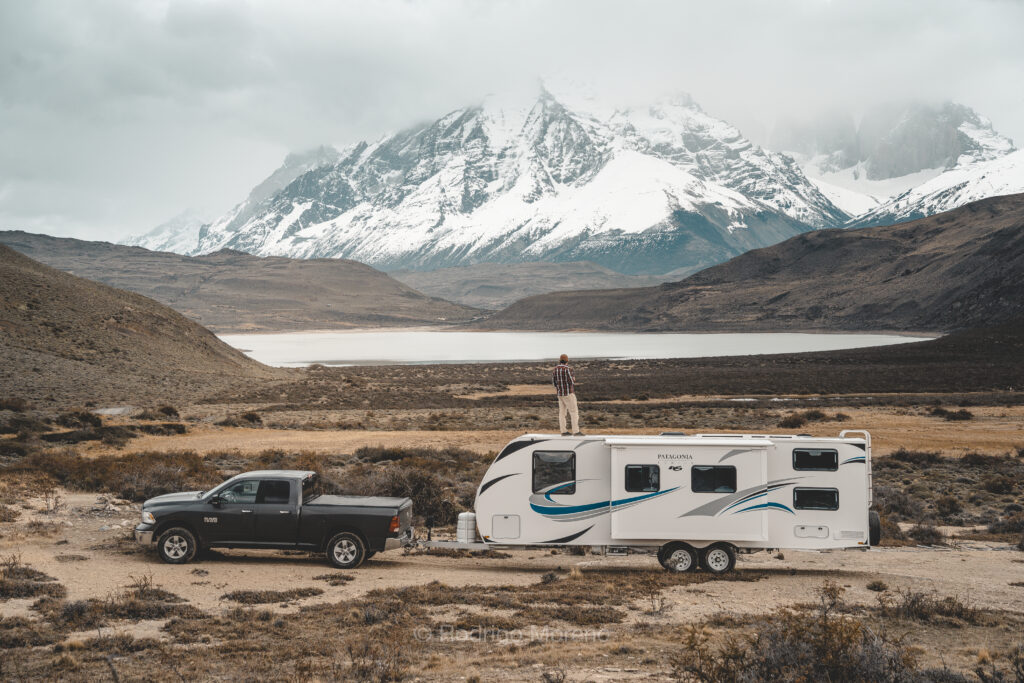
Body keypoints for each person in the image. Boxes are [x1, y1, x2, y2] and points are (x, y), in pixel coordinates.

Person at [552, 354, 583, 436]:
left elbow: (554, 383)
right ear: (567, 361)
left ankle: (563, 431)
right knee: (574, 412)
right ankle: (576, 431)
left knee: (562, 413)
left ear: (559, 360)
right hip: (568, 393)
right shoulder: (568, 369)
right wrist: (573, 378)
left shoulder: (555, 369)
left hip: (560, 394)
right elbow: (571, 382)